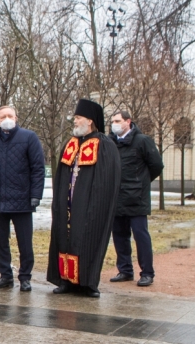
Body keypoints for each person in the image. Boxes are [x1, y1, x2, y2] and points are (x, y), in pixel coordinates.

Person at [47, 99, 120, 297]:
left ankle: (87, 282)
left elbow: (106, 181)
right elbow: (61, 176)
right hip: (68, 203)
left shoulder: (104, 145)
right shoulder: (70, 144)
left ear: (90, 121)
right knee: (64, 238)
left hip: (89, 205)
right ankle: (65, 280)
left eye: (78, 118)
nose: (75, 121)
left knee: (86, 240)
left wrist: (95, 204)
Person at [0, 106, 45, 292]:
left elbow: (37, 168)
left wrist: (35, 195)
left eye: (10, 116)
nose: (7, 119)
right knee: (1, 241)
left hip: (23, 199)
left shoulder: (29, 137)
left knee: (25, 242)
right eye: (3, 116)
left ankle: (25, 276)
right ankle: (5, 275)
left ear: (16, 118)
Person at [109, 110, 164, 287]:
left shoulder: (142, 141)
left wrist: (141, 182)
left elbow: (156, 165)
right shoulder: (110, 143)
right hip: (116, 198)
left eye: (117, 121)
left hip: (137, 198)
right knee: (119, 236)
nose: (114, 124)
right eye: (112, 121)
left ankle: (147, 273)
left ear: (128, 122)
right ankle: (125, 270)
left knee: (141, 236)